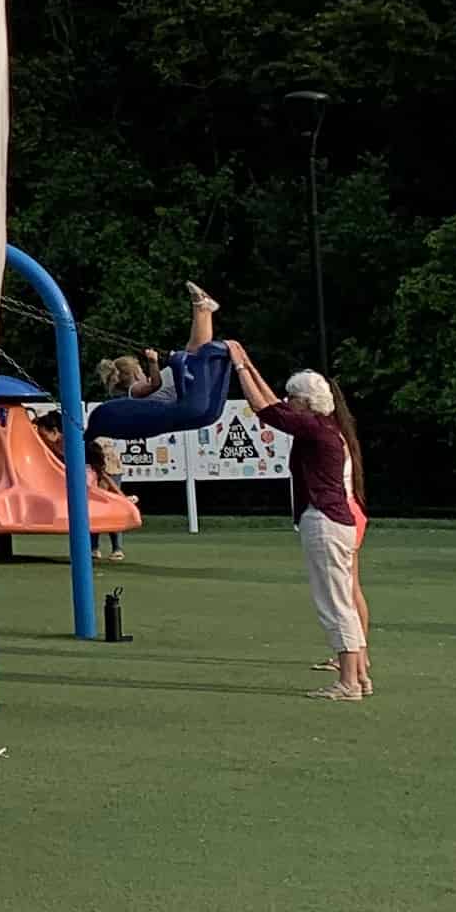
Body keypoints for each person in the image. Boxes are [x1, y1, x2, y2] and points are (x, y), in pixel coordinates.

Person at [247, 365, 369, 698]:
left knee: (334, 603)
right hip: (338, 521)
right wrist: (245, 364)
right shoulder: (326, 428)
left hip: (324, 521)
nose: (288, 403)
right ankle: (359, 677)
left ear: (305, 402)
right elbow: (274, 406)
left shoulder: (315, 429)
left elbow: (265, 409)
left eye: (292, 399)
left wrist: (241, 366)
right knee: (344, 599)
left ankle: (348, 683)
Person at [85, 283, 239, 446]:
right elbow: (155, 385)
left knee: (194, 350)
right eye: (141, 371)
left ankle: (204, 310)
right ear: (135, 374)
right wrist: (153, 362)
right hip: (184, 397)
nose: (146, 374)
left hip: (185, 393)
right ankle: (203, 309)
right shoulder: (134, 391)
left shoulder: (139, 395)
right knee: (194, 351)